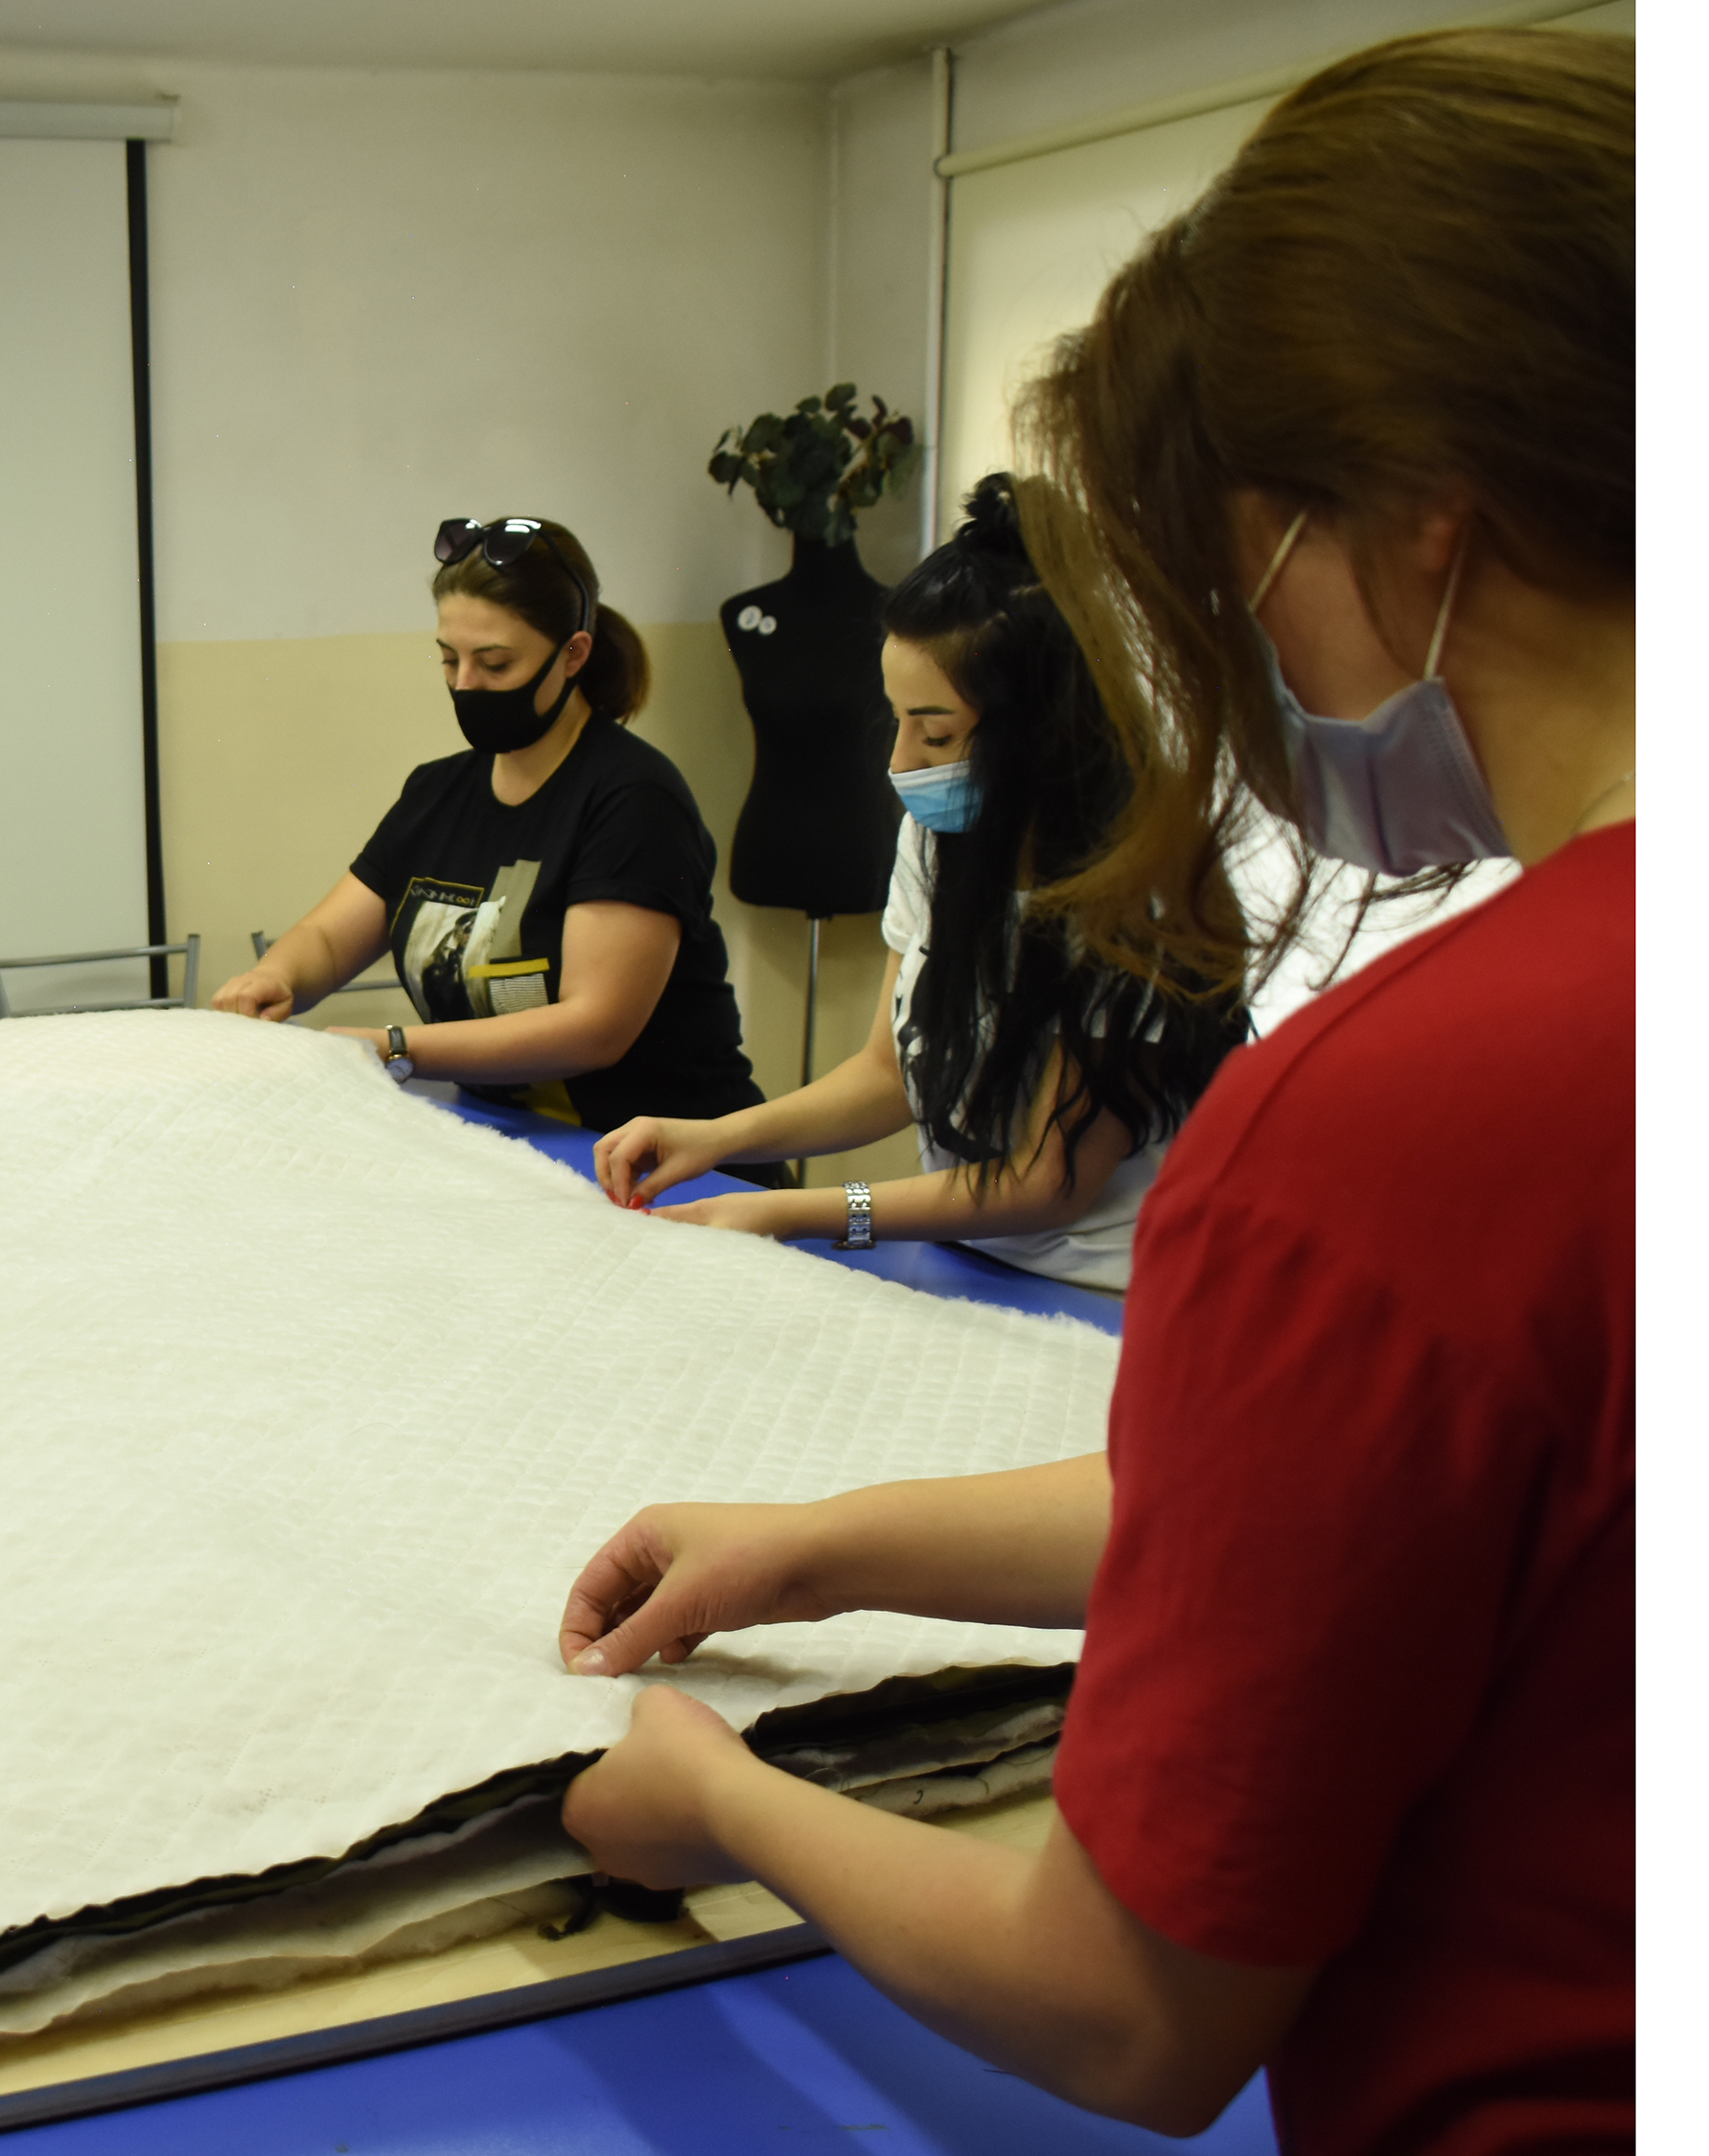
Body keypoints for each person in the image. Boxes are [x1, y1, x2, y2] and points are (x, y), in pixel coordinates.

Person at [545, 29, 1628, 2152]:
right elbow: (1347, 1513)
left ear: (1417, 522)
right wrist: (817, 1553)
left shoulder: (1406, 1117)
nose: (1234, 660)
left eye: (1227, 578)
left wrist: (719, 1795)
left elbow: (1121, 2008)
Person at [588, 474, 1247, 1290]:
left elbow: (1045, 1183)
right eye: (897, 720)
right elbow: (888, 1072)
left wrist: (797, 1210)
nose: (901, 763)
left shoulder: (1145, 891)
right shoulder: (939, 840)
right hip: (966, 1256)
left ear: (1045, 732)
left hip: (1108, 1290)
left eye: (935, 736)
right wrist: (718, 1137)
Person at [213, 516, 763, 1135]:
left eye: (495, 664)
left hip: (670, 1154)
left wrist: (395, 1046)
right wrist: (276, 975)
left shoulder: (634, 799)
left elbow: (595, 1027)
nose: (465, 685)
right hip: (511, 1147)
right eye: (450, 660)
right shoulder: (437, 793)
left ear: (574, 654)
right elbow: (329, 938)